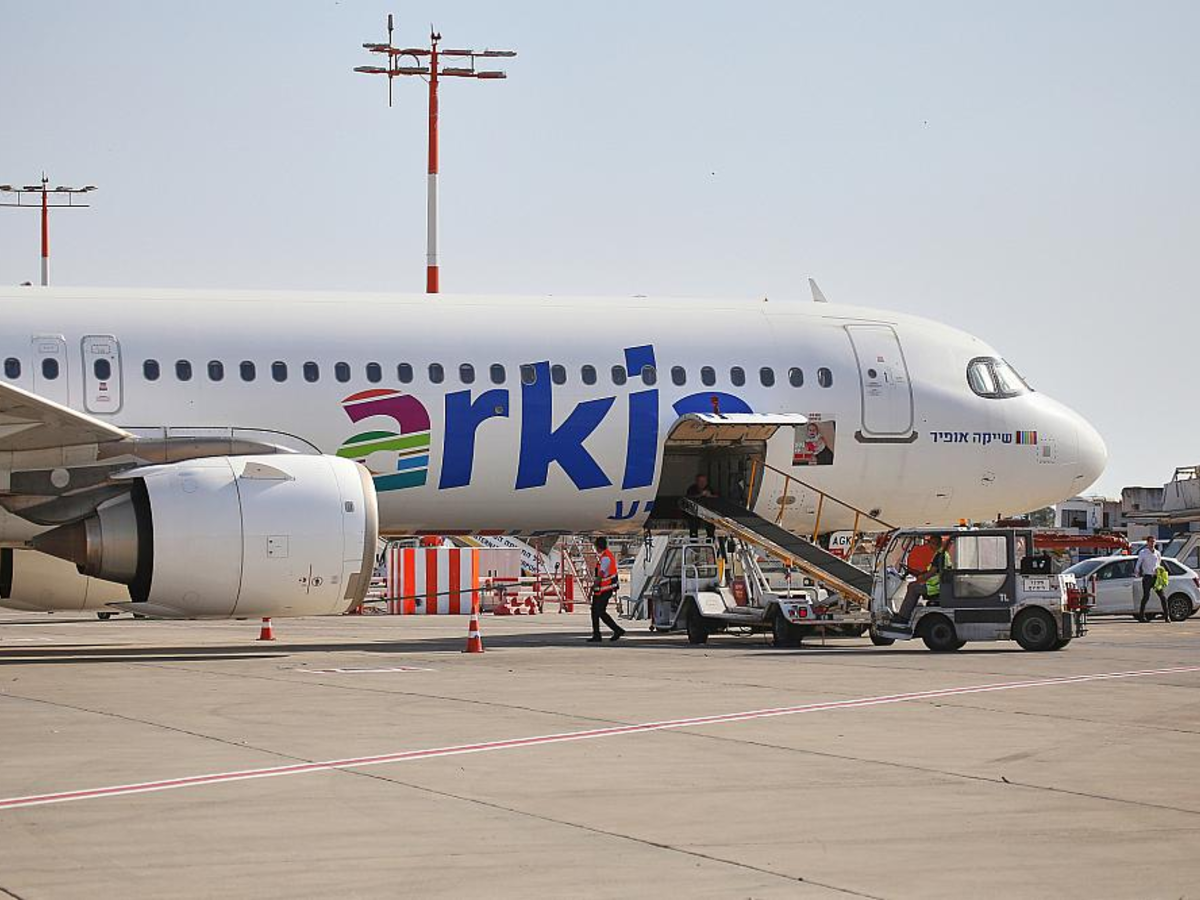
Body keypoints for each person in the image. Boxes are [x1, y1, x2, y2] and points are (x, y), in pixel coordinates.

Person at [892, 534, 949, 626]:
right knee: (913, 585)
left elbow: (931, 573)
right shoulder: (942, 554)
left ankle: (903, 617)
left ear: (936, 543)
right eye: (930, 543)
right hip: (938, 585)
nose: (930, 546)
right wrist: (918, 574)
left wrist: (921, 578)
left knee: (913, 587)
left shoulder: (940, 555)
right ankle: (905, 613)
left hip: (935, 587)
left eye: (932, 543)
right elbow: (932, 572)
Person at [588, 536, 625, 642]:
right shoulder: (606, 556)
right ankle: (597, 634)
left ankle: (617, 630)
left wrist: (592, 588)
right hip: (602, 589)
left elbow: (601, 575)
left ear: (598, 547)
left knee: (599, 611)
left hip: (605, 589)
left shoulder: (605, 558)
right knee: (595, 611)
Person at [1136, 535, 1169, 622]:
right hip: (1147, 577)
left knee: (1163, 597)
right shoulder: (1143, 552)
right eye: (1151, 541)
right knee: (1146, 596)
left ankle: (1167, 616)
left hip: (1156, 577)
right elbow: (1139, 563)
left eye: (1154, 541)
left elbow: (1159, 563)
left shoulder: (1157, 553)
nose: (1152, 543)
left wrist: (1160, 572)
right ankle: (1141, 616)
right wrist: (1137, 571)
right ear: (1147, 542)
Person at [686, 473, 717, 540]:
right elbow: (688, 498)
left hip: (707, 512)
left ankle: (710, 538)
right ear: (697, 482)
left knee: (711, 522)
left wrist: (710, 496)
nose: (702, 483)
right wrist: (700, 495)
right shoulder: (692, 489)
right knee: (693, 523)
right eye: (700, 481)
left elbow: (717, 497)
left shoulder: (710, 488)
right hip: (695, 512)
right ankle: (693, 540)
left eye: (704, 481)